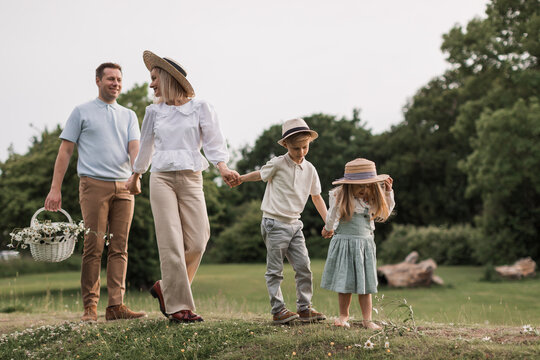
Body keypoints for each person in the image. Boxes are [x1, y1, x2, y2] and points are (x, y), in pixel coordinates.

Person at [126, 50, 239, 323]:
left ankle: (166, 288)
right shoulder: (153, 111)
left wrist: (222, 167)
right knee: (171, 244)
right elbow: (146, 146)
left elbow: (213, 142)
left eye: (154, 78)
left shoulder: (201, 108)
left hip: (191, 178)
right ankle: (178, 307)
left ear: (167, 78)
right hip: (161, 178)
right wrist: (136, 174)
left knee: (199, 241)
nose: (151, 84)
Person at [44, 62, 147, 322]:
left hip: (124, 186)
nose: (116, 83)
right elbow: (65, 151)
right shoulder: (81, 112)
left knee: (120, 247)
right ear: (98, 81)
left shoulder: (129, 115)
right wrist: (55, 189)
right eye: (110, 79)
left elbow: (135, 148)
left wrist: (137, 174)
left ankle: (116, 307)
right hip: (93, 185)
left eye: (119, 79)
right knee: (94, 246)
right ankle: (90, 308)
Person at [233, 118, 327, 324]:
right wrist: (240, 178)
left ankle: (304, 308)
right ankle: (278, 310)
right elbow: (260, 174)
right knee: (275, 270)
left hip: (296, 224)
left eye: (305, 147)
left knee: (304, 267)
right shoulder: (278, 163)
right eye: (296, 148)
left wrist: (328, 223)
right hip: (274, 223)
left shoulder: (310, 169)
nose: (301, 152)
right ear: (285, 145)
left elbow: (317, 196)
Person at [320, 158, 394, 330]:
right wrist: (328, 228)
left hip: (365, 247)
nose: (364, 189)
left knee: (365, 284)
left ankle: (367, 319)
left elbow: (386, 213)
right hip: (345, 245)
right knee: (344, 284)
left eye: (368, 185)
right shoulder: (342, 198)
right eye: (360, 185)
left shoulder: (371, 201)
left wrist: (389, 193)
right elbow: (332, 216)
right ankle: (343, 316)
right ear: (349, 185)